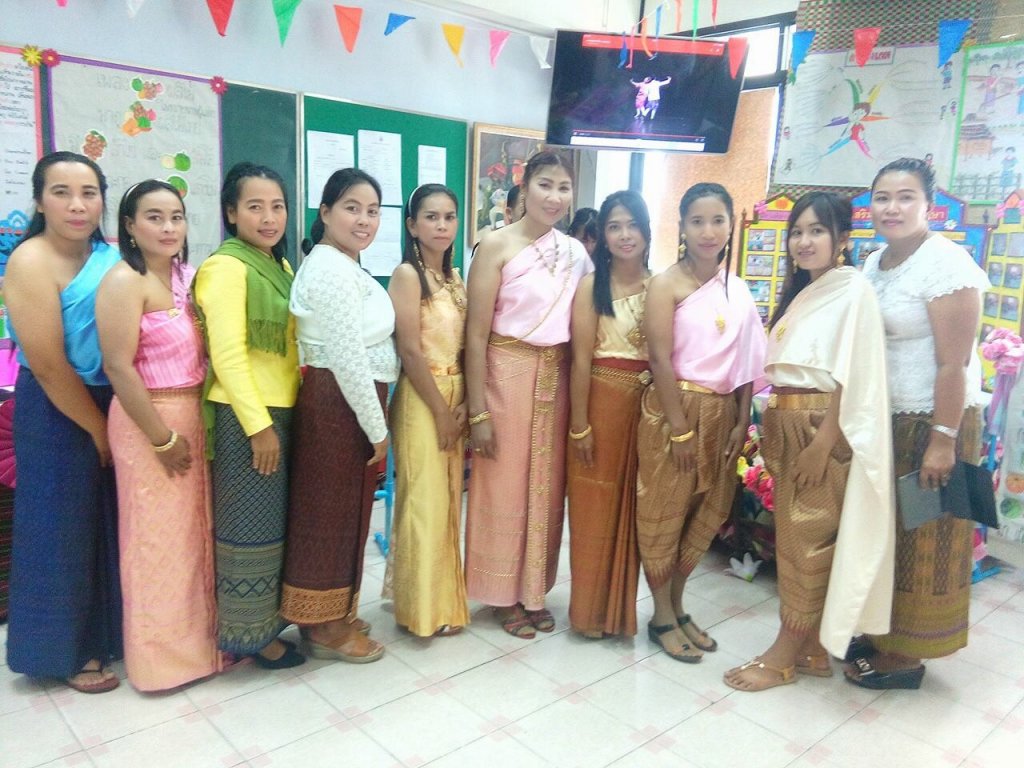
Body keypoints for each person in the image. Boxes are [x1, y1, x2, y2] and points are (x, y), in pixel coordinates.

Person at [723, 192, 895, 692]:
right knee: (801, 538)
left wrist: (823, 442)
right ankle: (813, 649)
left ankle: (782, 657)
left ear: (842, 239)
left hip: (818, 428)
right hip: (789, 422)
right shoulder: (807, 290)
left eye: (816, 230)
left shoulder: (853, 289)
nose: (803, 240)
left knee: (807, 543)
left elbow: (853, 372)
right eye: (797, 231)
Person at [846, 158, 989, 690]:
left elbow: (954, 363)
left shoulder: (947, 265)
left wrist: (942, 441)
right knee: (889, 537)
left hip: (936, 420)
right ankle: (882, 632)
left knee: (927, 538)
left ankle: (907, 655)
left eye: (906, 197)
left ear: (929, 205)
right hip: (888, 418)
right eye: (882, 197)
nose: (892, 207)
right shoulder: (875, 261)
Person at [4, 151, 123, 693]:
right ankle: (63, 651)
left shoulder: (111, 257)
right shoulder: (30, 260)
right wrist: (98, 430)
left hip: (113, 398)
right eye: (61, 192)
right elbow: (50, 364)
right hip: (55, 411)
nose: (78, 205)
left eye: (89, 193)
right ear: (39, 201)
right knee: (59, 530)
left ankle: (109, 635)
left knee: (107, 522)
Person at [96, 180, 219, 691]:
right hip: (148, 421)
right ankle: (160, 664)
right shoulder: (123, 281)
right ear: (129, 225)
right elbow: (118, 367)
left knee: (195, 538)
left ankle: (204, 650)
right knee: (155, 543)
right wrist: (161, 438)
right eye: (154, 217)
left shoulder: (190, 277)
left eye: (176, 217)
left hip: (196, 414)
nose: (168, 228)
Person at [465, 150, 592, 638]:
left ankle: (533, 591)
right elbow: (475, 334)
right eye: (545, 184)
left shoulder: (576, 253)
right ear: (524, 188)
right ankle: (501, 596)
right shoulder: (495, 246)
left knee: (546, 486)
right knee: (504, 484)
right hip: (505, 375)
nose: (554, 197)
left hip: (555, 380)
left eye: (564, 187)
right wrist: (478, 412)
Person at [636, 183, 765, 663]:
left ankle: (677, 605)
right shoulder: (666, 284)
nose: (708, 231)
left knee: (704, 512)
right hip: (675, 411)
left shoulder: (737, 288)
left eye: (717, 220)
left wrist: (740, 419)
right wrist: (680, 429)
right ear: (682, 228)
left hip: (723, 412)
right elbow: (659, 359)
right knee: (664, 512)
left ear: (730, 225)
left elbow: (749, 359)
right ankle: (660, 616)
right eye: (697, 221)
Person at [280, 168, 397, 662]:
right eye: (352, 208)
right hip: (338, 404)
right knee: (328, 515)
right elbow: (347, 358)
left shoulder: (344, 264)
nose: (364, 220)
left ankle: (334, 613)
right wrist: (377, 429)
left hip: (348, 402)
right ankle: (323, 627)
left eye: (372, 211)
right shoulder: (329, 267)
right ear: (325, 213)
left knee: (346, 513)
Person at [194, 163, 304, 669]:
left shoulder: (280, 267)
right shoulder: (226, 268)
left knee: (273, 528)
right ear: (231, 212)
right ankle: (250, 637)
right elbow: (228, 355)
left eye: (277, 206)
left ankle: (267, 623)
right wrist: (258, 427)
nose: (268, 217)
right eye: (255, 206)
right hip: (248, 418)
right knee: (248, 529)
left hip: (282, 410)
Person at [385, 183, 469, 637]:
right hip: (422, 397)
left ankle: (443, 603)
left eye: (449, 217)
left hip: (456, 394)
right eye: (431, 217)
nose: (441, 225)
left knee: (449, 502)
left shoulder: (454, 278)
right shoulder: (407, 275)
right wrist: (439, 411)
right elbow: (409, 350)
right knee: (424, 502)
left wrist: (466, 404)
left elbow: (467, 345)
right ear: (412, 225)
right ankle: (419, 612)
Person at [566, 190, 651, 639]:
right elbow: (580, 360)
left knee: (633, 513)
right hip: (598, 407)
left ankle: (619, 614)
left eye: (632, 225)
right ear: (602, 235)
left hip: (646, 413)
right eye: (614, 226)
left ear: (646, 230)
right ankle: (587, 614)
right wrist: (579, 425)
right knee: (593, 512)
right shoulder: (589, 287)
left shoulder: (661, 287)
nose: (624, 235)